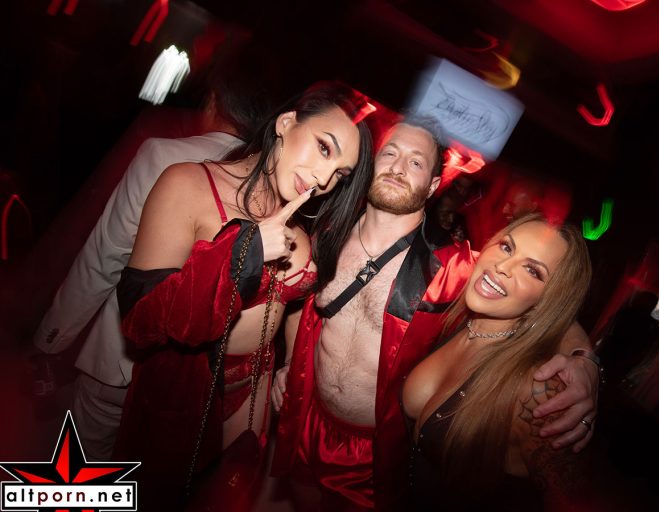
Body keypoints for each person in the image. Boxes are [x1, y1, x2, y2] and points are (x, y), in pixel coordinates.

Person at [271, 116, 600, 511]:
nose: (398, 167)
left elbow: (545, 305)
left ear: (432, 185)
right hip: (307, 416)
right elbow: (301, 306)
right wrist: (290, 364)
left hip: (372, 454)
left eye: (415, 161)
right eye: (390, 153)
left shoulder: (454, 267)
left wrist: (584, 361)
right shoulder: (326, 231)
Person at [112, 81, 374, 509]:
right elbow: (140, 321)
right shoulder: (188, 185)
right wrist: (245, 253)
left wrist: (290, 365)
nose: (325, 179)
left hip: (254, 393)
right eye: (324, 148)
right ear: (286, 123)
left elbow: (292, 305)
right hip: (182, 391)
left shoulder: (301, 227)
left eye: (340, 174)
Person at [30, 50, 274, 461]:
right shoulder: (269, 185)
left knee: (83, 467)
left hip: (123, 362)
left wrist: (52, 338)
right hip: (192, 387)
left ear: (213, 101)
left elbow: (105, 257)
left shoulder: (163, 156)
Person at [402, 213, 594, 510]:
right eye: (506, 247)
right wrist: (586, 355)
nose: (502, 266)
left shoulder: (539, 389)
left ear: (548, 300)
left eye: (532, 270)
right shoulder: (459, 318)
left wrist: (586, 362)